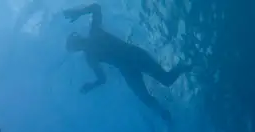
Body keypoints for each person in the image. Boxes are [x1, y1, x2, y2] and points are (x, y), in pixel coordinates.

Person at [62, 3, 191, 123]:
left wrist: (79, 12)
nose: (79, 45)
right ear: (77, 49)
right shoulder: (90, 57)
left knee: (167, 80)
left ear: (79, 37)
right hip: (127, 69)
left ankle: (186, 65)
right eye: (76, 46)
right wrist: (92, 85)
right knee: (144, 97)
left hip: (134, 55)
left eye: (77, 42)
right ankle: (166, 116)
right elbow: (102, 79)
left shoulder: (95, 32)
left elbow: (96, 7)